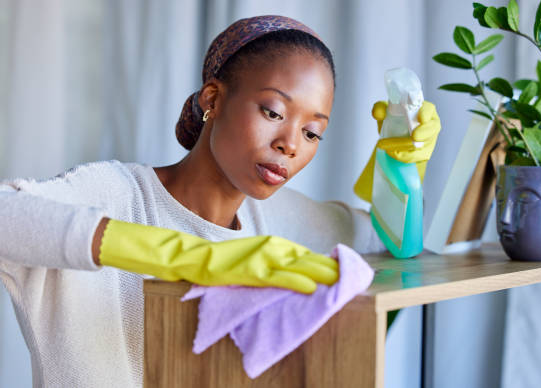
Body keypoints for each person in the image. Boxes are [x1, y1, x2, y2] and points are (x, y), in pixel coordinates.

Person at [0, 15, 439, 387]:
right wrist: (188, 256)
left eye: (312, 133)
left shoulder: (277, 218)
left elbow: (391, 241)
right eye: (273, 112)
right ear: (213, 99)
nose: (290, 144)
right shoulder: (116, 193)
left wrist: (400, 167)